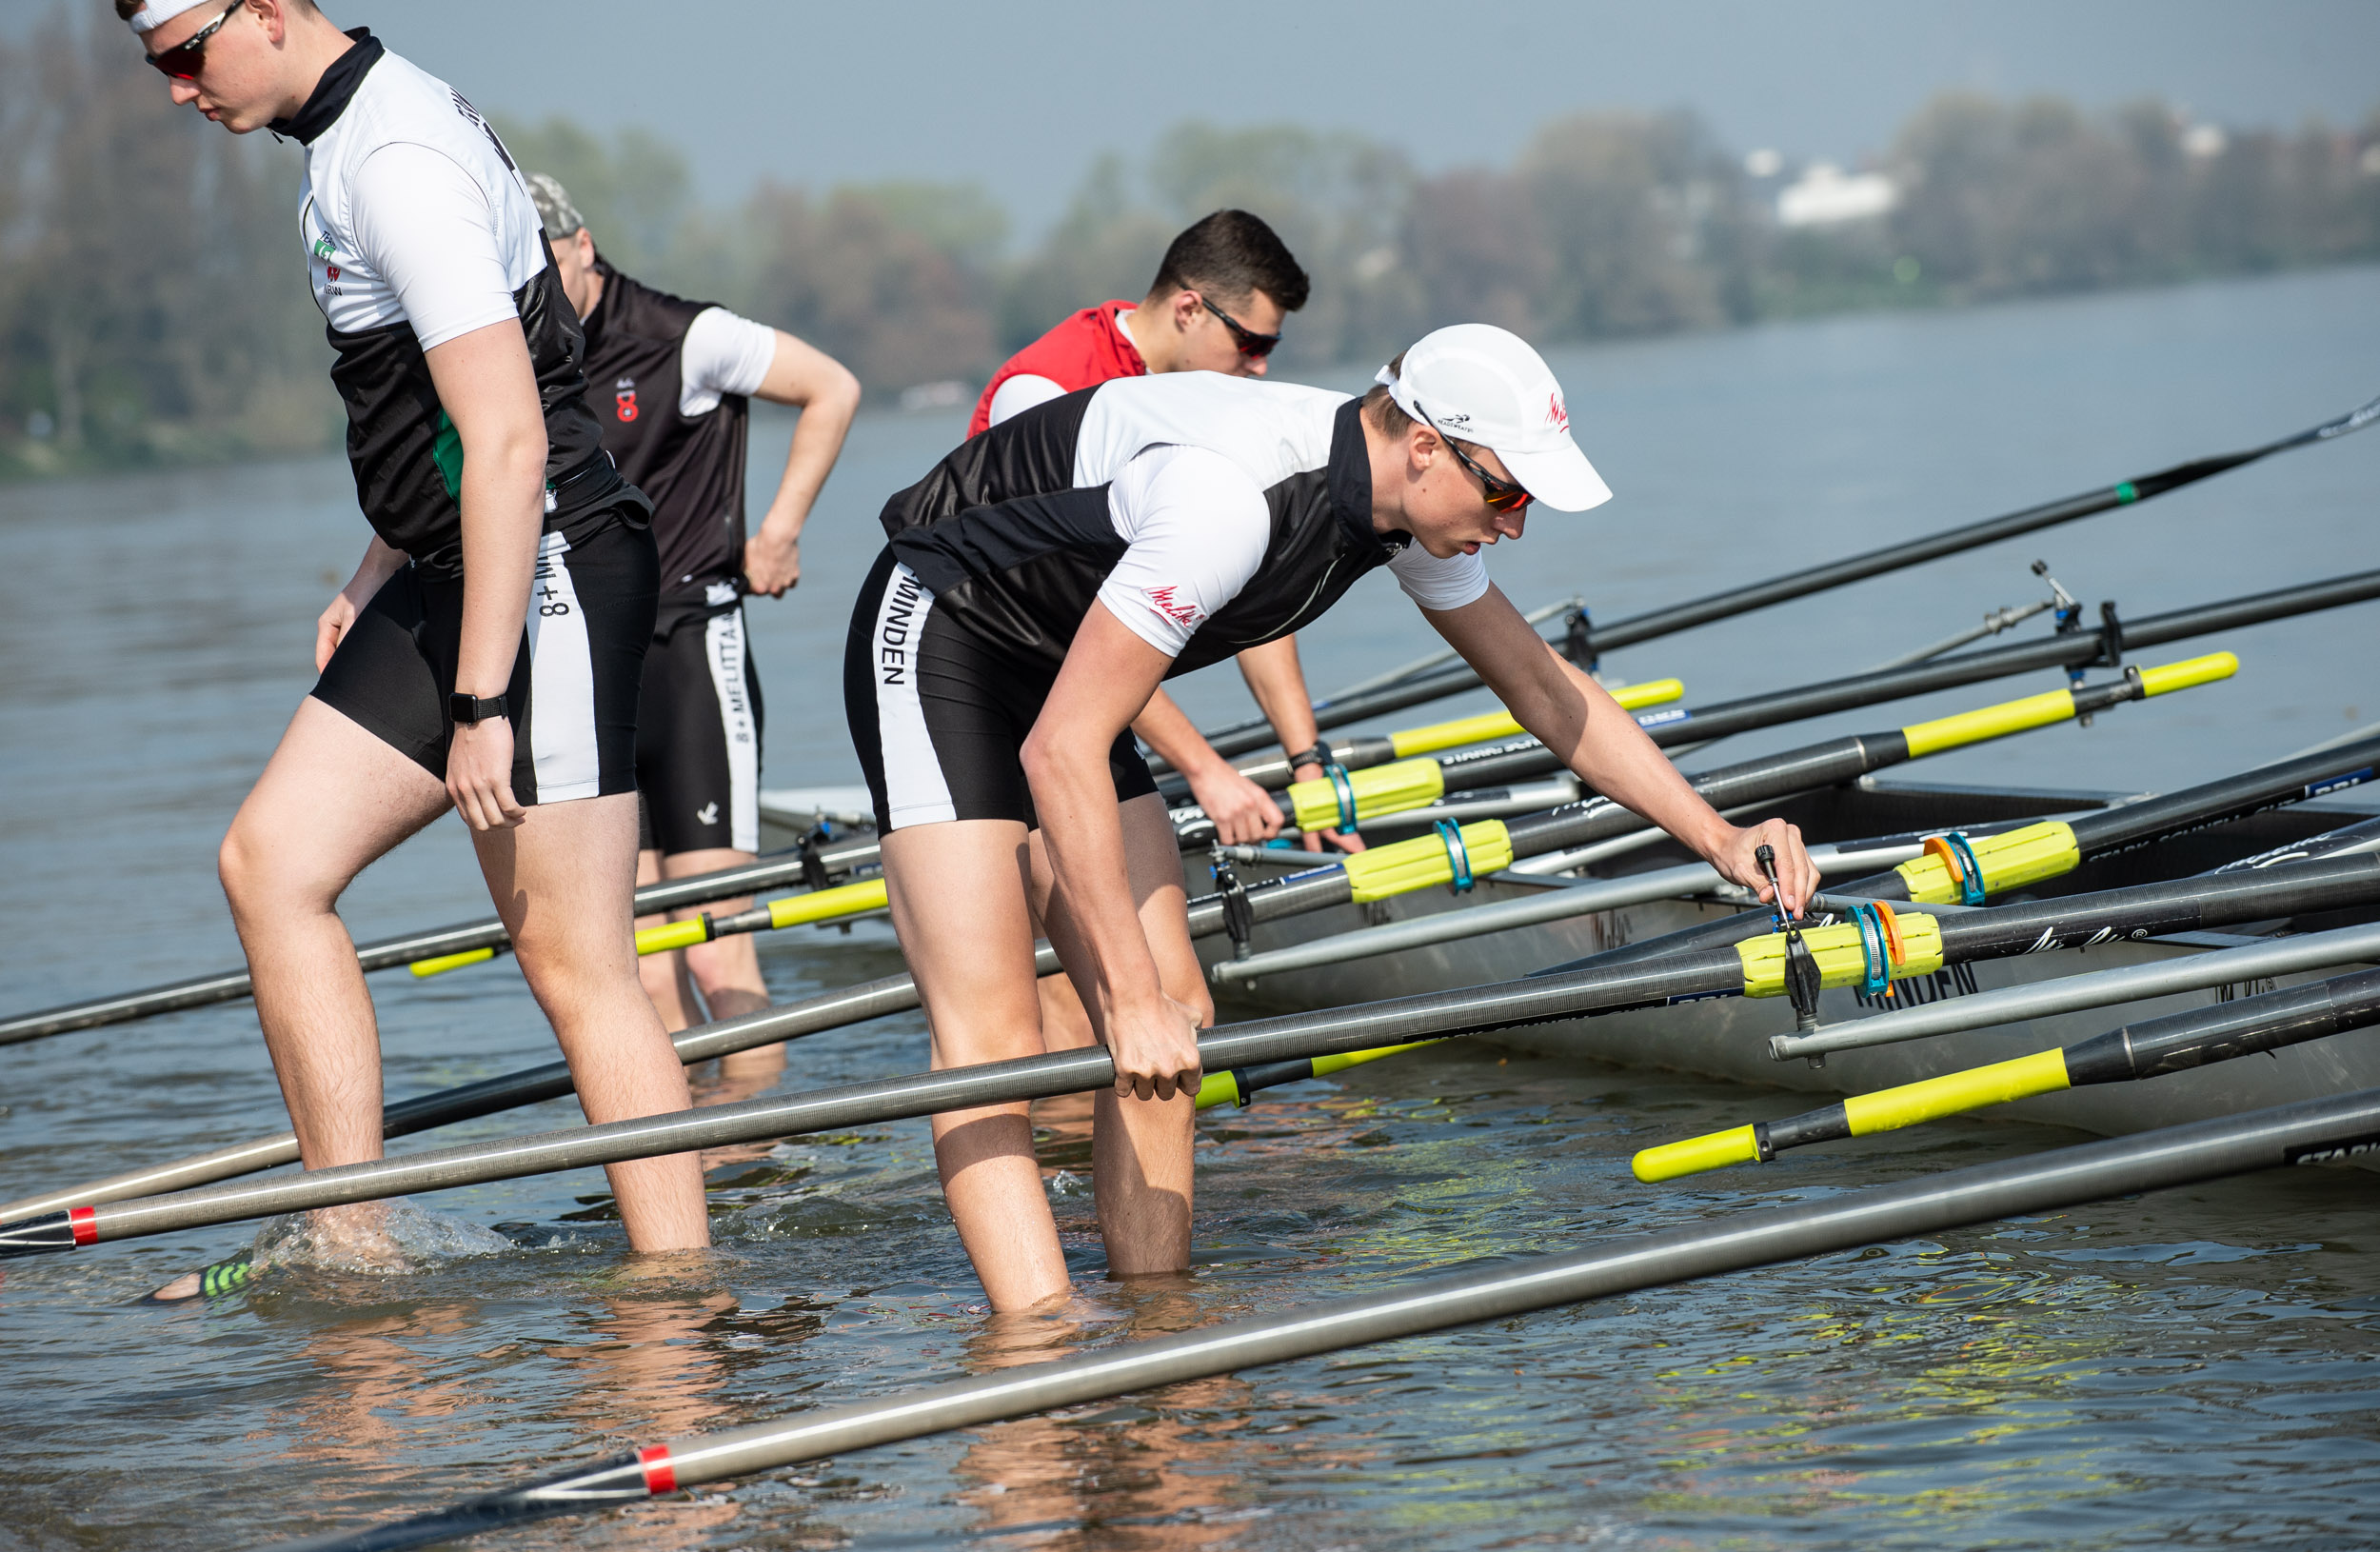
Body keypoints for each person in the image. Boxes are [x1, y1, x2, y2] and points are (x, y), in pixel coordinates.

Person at [847, 324, 1822, 1312]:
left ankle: (1156, 1331)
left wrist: (1716, 835)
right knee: (998, 1041)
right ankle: (1044, 1352)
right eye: (1507, 491)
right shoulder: (1231, 502)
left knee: (1175, 1019)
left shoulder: (1403, 509)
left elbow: (1541, 687)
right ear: (1425, 445)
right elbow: (1059, 752)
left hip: (1065, 654)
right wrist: (1122, 994)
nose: (1516, 524)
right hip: (941, 626)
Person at [122, 0, 710, 1296]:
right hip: (451, 564)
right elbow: (430, 417)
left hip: (544, 565)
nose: (176, 91)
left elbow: (506, 441)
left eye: (181, 57)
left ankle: (683, 1306)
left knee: (575, 962)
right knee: (270, 865)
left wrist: (484, 697)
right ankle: (352, 1239)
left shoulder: (397, 160)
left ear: (265, 13)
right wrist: (374, 563)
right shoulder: (343, 140)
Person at [526, 173, 862, 1062]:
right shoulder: (518, 358)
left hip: (689, 650)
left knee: (717, 950)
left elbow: (833, 388)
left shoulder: (689, 336)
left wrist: (778, 532)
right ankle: (702, 1172)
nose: (533, 291)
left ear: (584, 245)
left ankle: (763, 1153)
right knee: (636, 965)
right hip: (588, 658)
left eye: (545, 264)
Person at [976, 210, 1354, 863]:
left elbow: (1249, 593)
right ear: (1189, 309)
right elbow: (1077, 617)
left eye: (1273, 349)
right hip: (994, 682)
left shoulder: (1206, 399)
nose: (1260, 369)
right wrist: (1205, 771)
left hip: (1091, 695)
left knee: (1158, 952)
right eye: (1251, 344)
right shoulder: (1044, 391)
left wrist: (1305, 762)